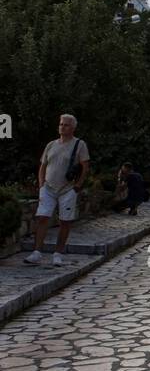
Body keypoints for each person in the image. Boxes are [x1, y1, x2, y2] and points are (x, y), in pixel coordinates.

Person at [23, 113, 90, 268]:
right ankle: (37, 252)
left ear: (73, 128)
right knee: (42, 218)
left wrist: (78, 186)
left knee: (65, 221)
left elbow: (85, 166)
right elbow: (43, 165)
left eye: (66, 124)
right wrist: (41, 185)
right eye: (61, 124)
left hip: (67, 189)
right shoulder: (51, 144)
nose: (62, 127)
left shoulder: (79, 145)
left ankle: (58, 254)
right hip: (48, 187)